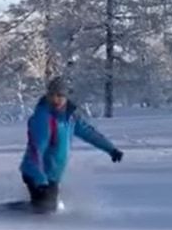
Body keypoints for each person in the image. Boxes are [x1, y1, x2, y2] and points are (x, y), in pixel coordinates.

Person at [20, 77, 123, 212]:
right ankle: (8, 217)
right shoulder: (44, 118)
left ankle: (16, 211)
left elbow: (89, 134)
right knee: (45, 212)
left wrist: (111, 149)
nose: (55, 99)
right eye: (52, 95)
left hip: (52, 176)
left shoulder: (70, 118)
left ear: (67, 97)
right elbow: (36, 150)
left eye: (60, 95)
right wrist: (40, 180)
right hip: (36, 173)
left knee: (47, 209)